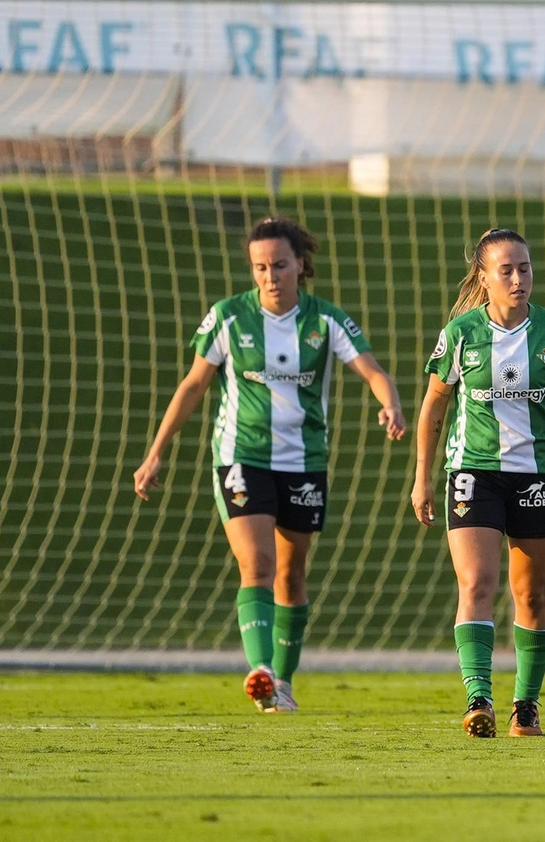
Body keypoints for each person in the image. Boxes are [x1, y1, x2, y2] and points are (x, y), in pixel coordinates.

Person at [134, 217, 407, 713]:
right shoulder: (229, 317)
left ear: (300, 265)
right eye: (260, 267)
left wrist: (390, 404)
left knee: (292, 575)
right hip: (243, 456)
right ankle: (259, 669)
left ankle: (281, 682)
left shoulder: (325, 320)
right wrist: (156, 451)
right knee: (255, 564)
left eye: (279, 265)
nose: (269, 276)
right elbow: (193, 385)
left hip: (304, 460)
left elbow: (372, 370)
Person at [412, 228, 545, 739]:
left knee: (533, 594)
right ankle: (479, 699)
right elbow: (434, 403)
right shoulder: (460, 334)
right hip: (473, 471)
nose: (519, 278)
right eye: (507, 270)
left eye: (524, 268)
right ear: (484, 277)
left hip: (539, 474)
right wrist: (423, 479)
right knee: (477, 584)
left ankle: (526, 706)